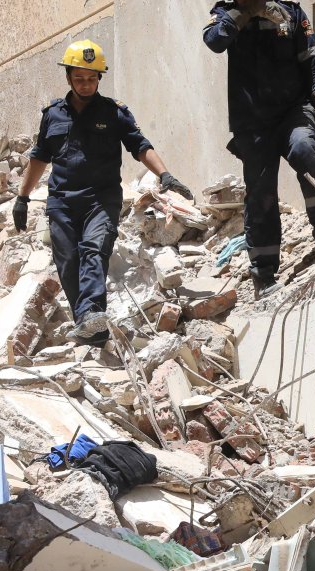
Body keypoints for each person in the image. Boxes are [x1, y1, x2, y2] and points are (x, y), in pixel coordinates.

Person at [13, 40, 193, 345]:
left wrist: (165, 174)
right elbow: (39, 158)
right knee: (68, 262)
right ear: (68, 78)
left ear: (99, 78)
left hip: (101, 199)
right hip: (62, 202)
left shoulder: (114, 113)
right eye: (79, 79)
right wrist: (22, 197)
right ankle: (89, 326)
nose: (86, 85)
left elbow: (140, 146)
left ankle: (93, 313)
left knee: (94, 250)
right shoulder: (53, 115)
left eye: (91, 78)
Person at [202, 0, 315, 299]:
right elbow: (214, 41)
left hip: (293, 111)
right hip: (252, 124)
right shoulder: (225, 17)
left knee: (306, 151)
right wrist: (242, 14)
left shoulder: (291, 15)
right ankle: (263, 273)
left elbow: (314, 65)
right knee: (261, 193)